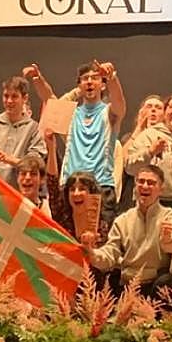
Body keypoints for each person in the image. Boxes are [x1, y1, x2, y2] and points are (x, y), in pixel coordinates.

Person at [84, 164, 172, 294]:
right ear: (135, 187)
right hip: (129, 285)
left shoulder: (170, 216)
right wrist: (91, 252)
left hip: (158, 285)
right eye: (141, 181)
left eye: (151, 183)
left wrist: (168, 239)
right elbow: (110, 254)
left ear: (161, 189)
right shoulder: (122, 220)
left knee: (171, 282)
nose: (145, 186)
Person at [59, 60, 126, 232]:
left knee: (98, 245)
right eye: (85, 79)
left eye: (95, 78)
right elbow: (55, 109)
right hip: (71, 187)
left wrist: (111, 78)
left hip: (100, 186)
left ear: (102, 85)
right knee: (67, 245)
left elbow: (119, 103)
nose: (89, 82)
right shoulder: (71, 113)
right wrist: (78, 90)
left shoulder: (108, 112)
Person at [0, 76, 47, 186]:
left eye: (14, 96)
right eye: (6, 96)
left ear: (25, 98)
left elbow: (35, 165)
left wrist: (8, 159)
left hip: (22, 194)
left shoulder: (34, 129)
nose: (9, 101)